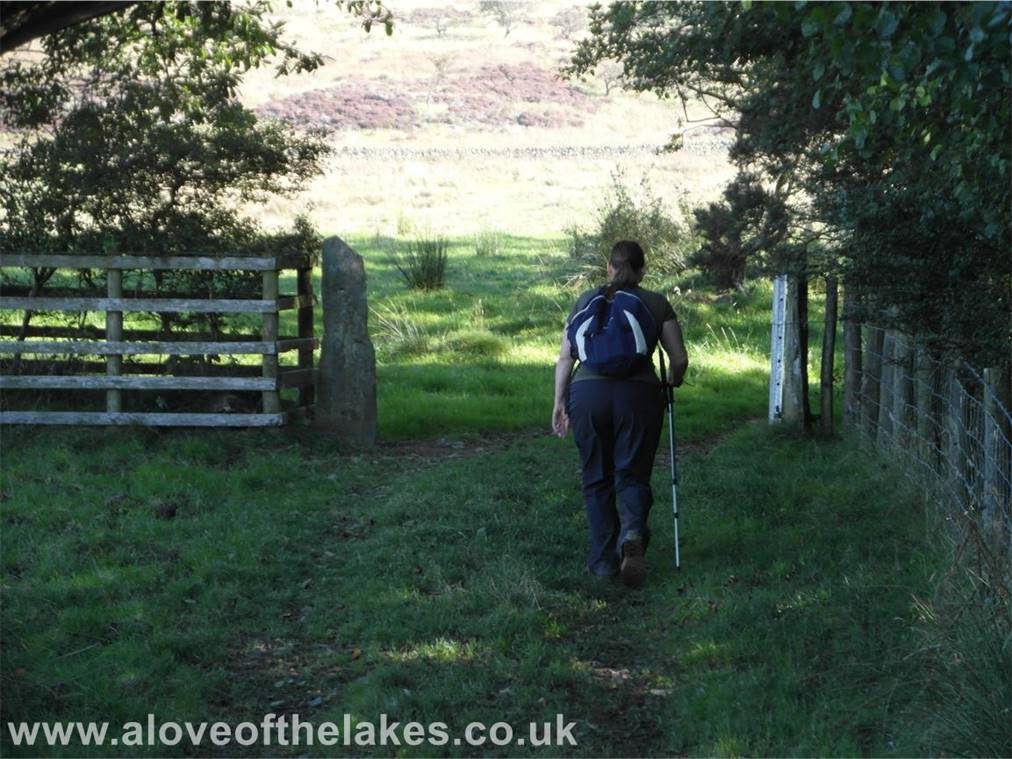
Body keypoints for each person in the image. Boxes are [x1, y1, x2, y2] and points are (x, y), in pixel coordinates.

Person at [552, 240, 688, 587]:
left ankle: (602, 562)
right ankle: (631, 534)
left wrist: (559, 402)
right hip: (639, 394)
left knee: (595, 477)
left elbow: (567, 356)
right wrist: (674, 380)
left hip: (587, 394)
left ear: (609, 267)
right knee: (633, 472)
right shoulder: (656, 302)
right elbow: (679, 358)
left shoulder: (585, 301)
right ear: (642, 270)